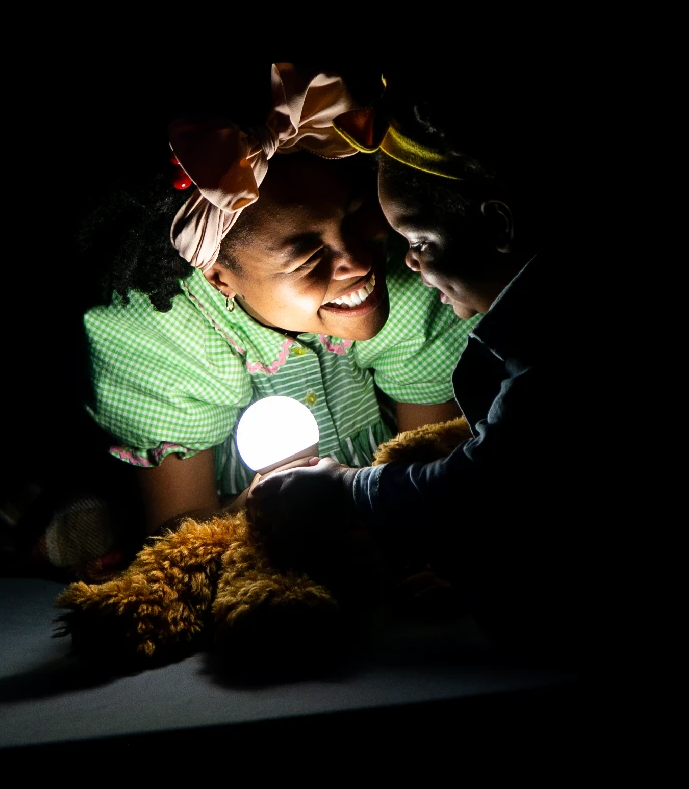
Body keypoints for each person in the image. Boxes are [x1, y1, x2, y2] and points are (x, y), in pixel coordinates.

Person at [0, 62, 475, 583]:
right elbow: (178, 535)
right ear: (219, 278)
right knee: (100, 529)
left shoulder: (414, 280)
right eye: (305, 257)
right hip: (233, 506)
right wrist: (266, 510)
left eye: (354, 214)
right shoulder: (164, 338)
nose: (356, 260)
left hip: (368, 489)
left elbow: (426, 480)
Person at [246, 62, 588, 663]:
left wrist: (350, 492)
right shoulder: (527, 343)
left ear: (498, 225)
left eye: (420, 242)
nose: (409, 264)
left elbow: (486, 492)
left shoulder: (560, 359)